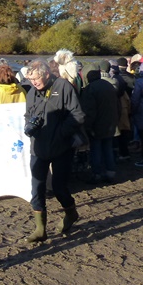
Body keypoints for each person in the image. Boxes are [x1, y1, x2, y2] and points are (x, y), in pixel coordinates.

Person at [23, 59, 85, 243]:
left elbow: (78, 115)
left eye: (36, 78)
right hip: (38, 147)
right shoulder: (32, 93)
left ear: (46, 74)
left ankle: (71, 214)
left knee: (59, 188)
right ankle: (40, 229)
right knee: (37, 188)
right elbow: (27, 114)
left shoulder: (63, 86)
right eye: (30, 80)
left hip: (62, 147)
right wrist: (30, 125)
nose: (34, 83)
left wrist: (60, 133)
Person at [80, 65, 120, 183]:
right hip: (111, 123)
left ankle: (97, 173)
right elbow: (117, 106)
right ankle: (110, 172)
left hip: (97, 125)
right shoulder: (109, 85)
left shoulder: (90, 89)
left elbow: (90, 111)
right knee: (108, 148)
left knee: (96, 149)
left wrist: (88, 126)